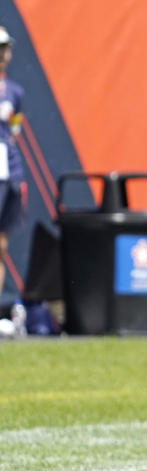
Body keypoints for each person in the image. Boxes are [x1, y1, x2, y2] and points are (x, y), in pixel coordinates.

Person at [0, 26, 25, 305]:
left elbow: (15, 131)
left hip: (7, 174)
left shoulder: (15, 92)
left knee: (2, 243)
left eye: (4, 49)